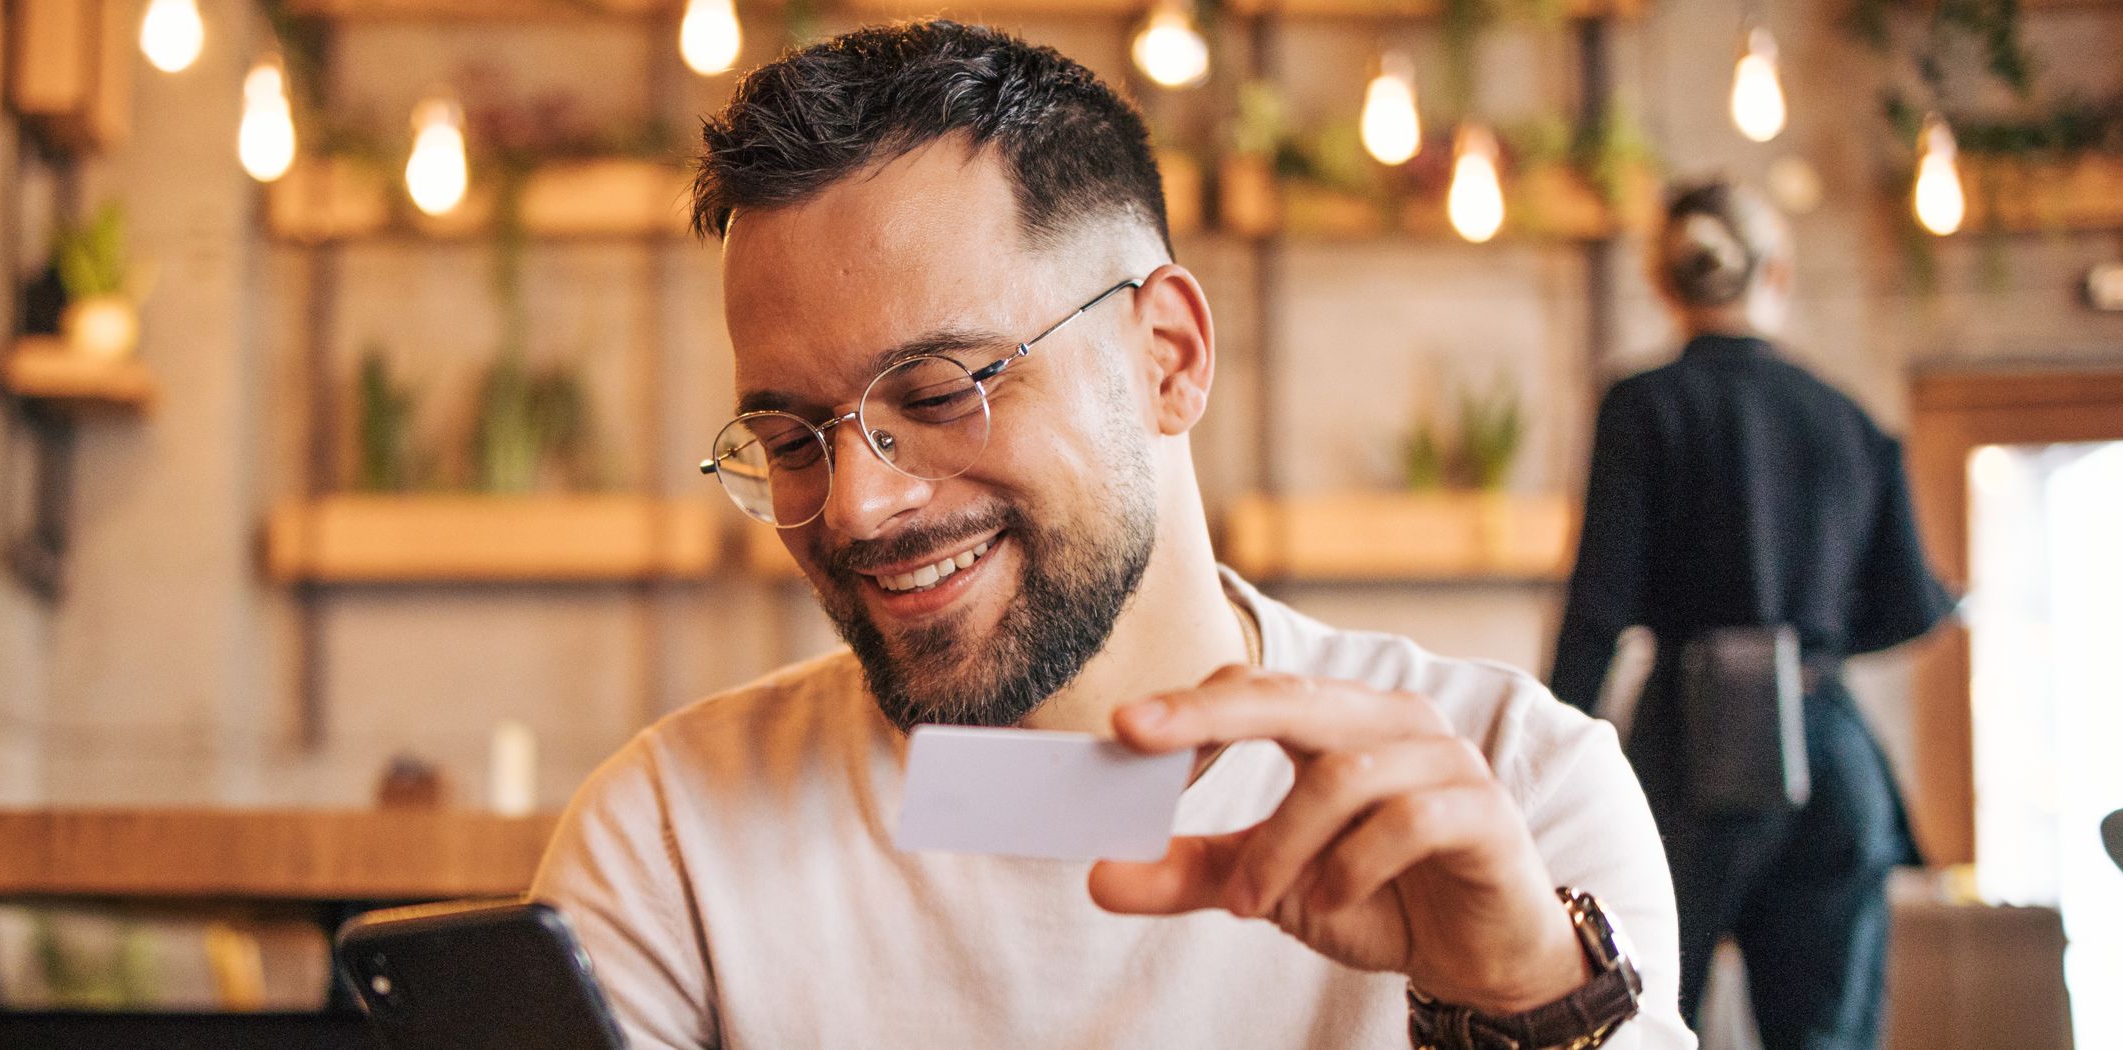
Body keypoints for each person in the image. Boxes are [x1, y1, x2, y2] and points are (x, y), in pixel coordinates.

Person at [534, 21, 1693, 1048]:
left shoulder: (1515, 788)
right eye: (790, 440)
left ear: (1167, 359)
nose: (855, 508)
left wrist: (1523, 997)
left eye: (938, 394)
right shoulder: (671, 839)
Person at [1548, 182, 1955, 1049]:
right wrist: (1819, 639)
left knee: (1642, 1023)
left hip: (1684, 753)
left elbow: (1599, 608)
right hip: (1826, 758)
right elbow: (1911, 606)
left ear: (1665, 284)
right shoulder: (1850, 419)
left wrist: (1546, 757)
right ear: (1779, 271)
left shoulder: (1642, 405)